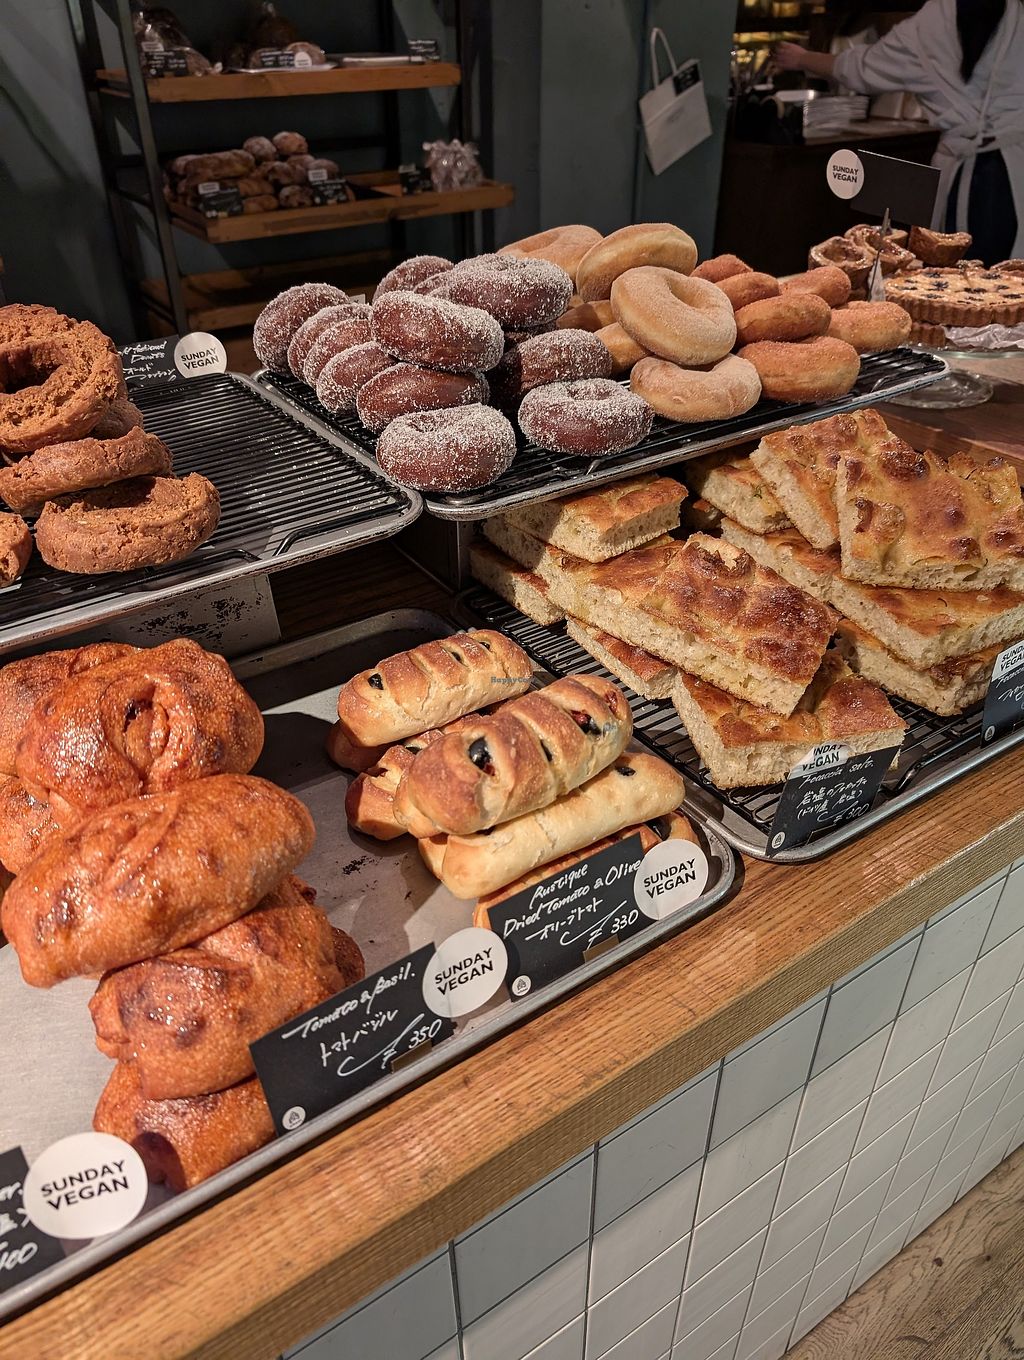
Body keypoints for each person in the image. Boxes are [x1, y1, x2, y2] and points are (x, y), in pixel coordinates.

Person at [774, 0, 1024, 263]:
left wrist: (801, 58)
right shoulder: (1017, 15)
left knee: (963, 275)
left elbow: (860, 68)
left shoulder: (929, 26)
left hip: (974, 176)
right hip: (1013, 165)